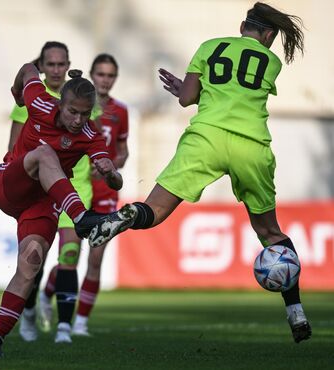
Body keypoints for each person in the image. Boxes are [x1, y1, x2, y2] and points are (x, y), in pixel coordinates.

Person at [88, 2, 310, 343]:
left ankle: (129, 214)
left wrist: (188, 89)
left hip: (205, 137)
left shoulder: (209, 47)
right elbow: (240, 90)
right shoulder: (272, 61)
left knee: (156, 210)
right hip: (250, 146)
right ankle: (295, 312)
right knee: (270, 232)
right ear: (267, 35)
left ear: (241, 26)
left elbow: (187, 98)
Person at [0, 63, 130, 357]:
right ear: (60, 103)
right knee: (44, 153)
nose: (78, 120)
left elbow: (116, 179)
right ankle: (82, 218)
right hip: (11, 183)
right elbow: (27, 70)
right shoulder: (39, 101)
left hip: (43, 202)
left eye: (85, 114)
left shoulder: (91, 134)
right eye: (72, 112)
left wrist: (111, 172)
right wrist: (16, 92)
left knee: (31, 263)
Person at [7, 41, 95, 344]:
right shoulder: (35, 102)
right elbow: (15, 152)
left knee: (69, 255)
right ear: (42, 67)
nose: (56, 70)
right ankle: (29, 310)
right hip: (39, 192)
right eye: (51, 64)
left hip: (76, 189)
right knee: (35, 262)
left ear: (68, 64)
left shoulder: (81, 98)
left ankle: (64, 329)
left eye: (61, 64)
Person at [39, 53, 129, 340]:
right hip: (78, 187)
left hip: (104, 191)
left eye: (110, 75)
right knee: (71, 255)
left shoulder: (120, 111)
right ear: (92, 75)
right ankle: (50, 291)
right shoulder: (76, 107)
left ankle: (79, 323)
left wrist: (115, 163)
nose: (105, 80)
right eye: (100, 74)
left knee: (96, 259)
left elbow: (123, 148)